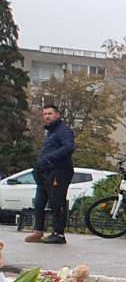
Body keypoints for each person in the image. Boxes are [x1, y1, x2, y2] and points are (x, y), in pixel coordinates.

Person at [26, 104, 75, 244]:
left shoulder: (63, 131)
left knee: (56, 202)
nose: (47, 116)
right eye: (44, 114)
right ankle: (38, 231)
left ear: (57, 115)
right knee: (39, 201)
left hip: (59, 171)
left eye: (50, 113)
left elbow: (68, 147)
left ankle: (58, 234)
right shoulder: (51, 132)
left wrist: (49, 158)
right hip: (45, 172)